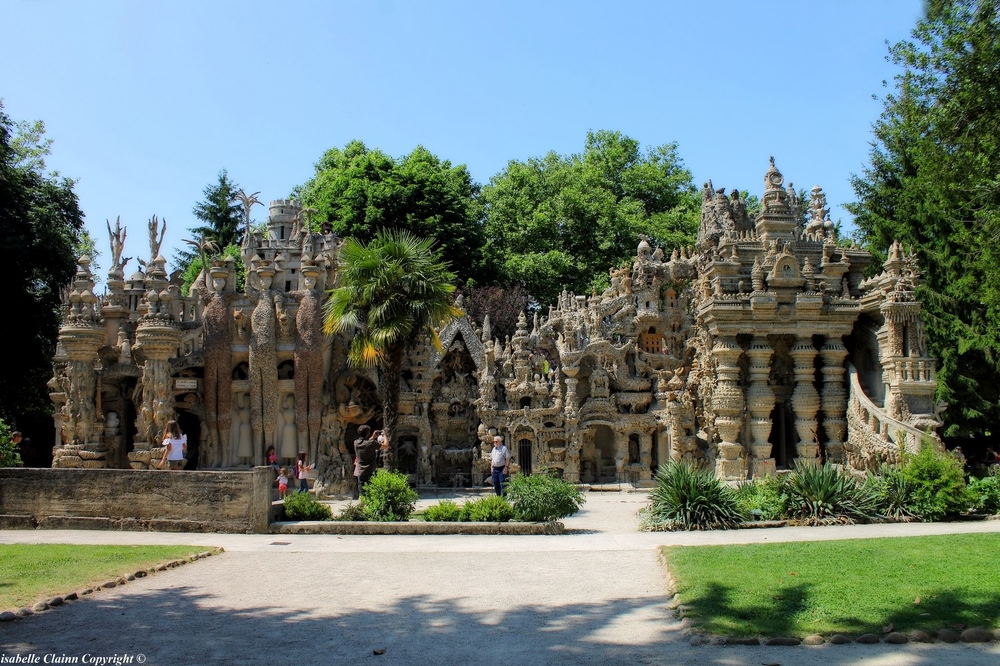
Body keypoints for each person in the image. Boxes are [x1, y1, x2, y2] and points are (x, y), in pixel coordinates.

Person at [353, 425, 381, 498]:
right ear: (368, 433)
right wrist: (385, 435)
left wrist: (372, 437)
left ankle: (361, 504)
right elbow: (385, 445)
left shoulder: (356, 442)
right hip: (370, 471)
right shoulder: (371, 443)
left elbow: (365, 442)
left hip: (361, 471)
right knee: (372, 492)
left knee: (362, 492)